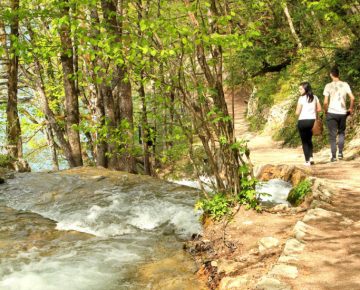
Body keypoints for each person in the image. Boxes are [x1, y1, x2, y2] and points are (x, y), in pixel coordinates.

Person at [323, 67, 355, 162]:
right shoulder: (345, 84)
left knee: (332, 135)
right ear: (339, 74)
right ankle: (340, 153)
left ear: (331, 75)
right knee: (341, 133)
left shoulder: (328, 86)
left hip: (332, 113)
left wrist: (326, 111)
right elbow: (352, 98)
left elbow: (325, 102)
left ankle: (333, 156)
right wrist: (350, 108)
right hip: (342, 113)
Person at [296, 82, 322, 166]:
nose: (299, 90)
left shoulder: (301, 98)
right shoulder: (315, 97)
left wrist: (297, 111)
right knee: (309, 140)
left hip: (303, 121)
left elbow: (297, 112)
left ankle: (307, 161)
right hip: (312, 121)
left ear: (305, 89)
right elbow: (319, 109)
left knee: (304, 141)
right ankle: (311, 157)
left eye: (300, 89)